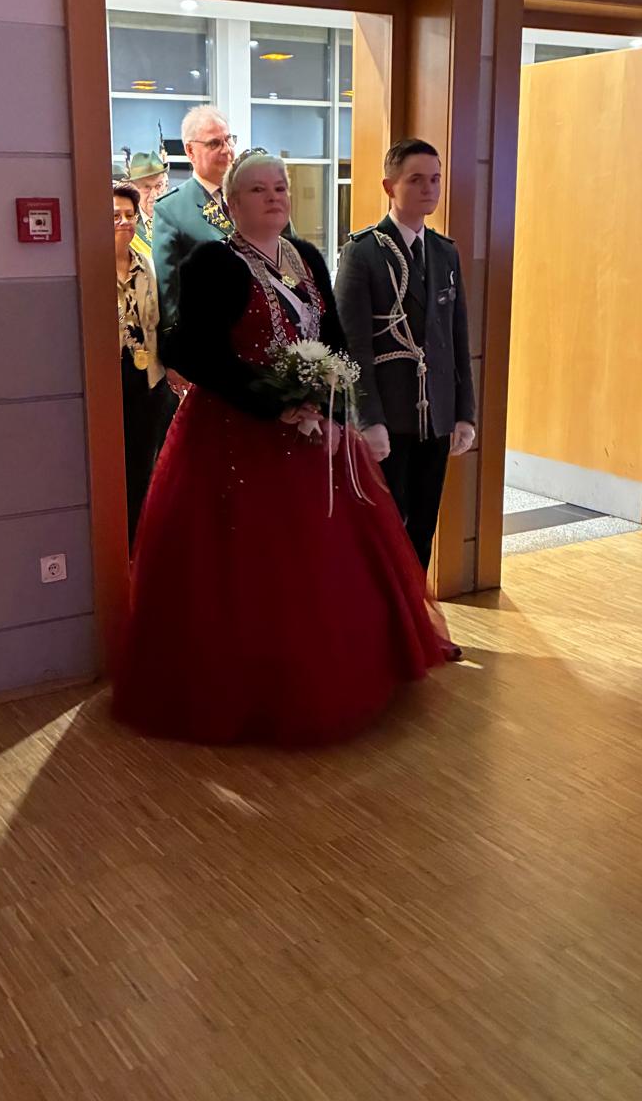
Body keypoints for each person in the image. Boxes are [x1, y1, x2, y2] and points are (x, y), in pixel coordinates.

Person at [113, 150, 453, 747]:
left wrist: (334, 405)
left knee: (330, 558)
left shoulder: (307, 257)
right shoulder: (214, 263)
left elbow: (336, 340)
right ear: (231, 203)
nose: (274, 197)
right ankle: (259, 688)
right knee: (250, 565)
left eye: (280, 188)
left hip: (314, 434)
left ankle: (349, 667)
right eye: (258, 190)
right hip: (234, 436)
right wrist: (273, 400)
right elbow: (192, 351)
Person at [334, 138, 476, 571]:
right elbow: (353, 346)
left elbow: (457, 339)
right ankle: (385, 611)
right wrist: (367, 418)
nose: (429, 188)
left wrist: (464, 412)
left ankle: (416, 608)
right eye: (416, 180)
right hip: (389, 416)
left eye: (435, 179)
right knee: (385, 528)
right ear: (389, 186)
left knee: (423, 527)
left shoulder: (444, 252)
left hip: (436, 415)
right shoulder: (363, 252)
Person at [114, 184, 174, 548]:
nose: (124, 222)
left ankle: (136, 538)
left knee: (142, 461)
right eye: (115, 216)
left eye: (129, 215)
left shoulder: (147, 266)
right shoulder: (91, 270)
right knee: (111, 462)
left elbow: (158, 321)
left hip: (147, 375)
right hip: (110, 378)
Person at [150, 106, 237, 331]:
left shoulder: (253, 196)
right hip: (209, 339)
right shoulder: (171, 209)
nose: (227, 149)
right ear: (190, 151)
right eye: (214, 143)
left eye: (229, 139)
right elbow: (168, 297)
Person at [126, 149, 169, 261]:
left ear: (166, 185)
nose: (154, 195)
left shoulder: (179, 218)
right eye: (147, 187)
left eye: (158, 186)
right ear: (133, 189)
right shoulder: (126, 224)